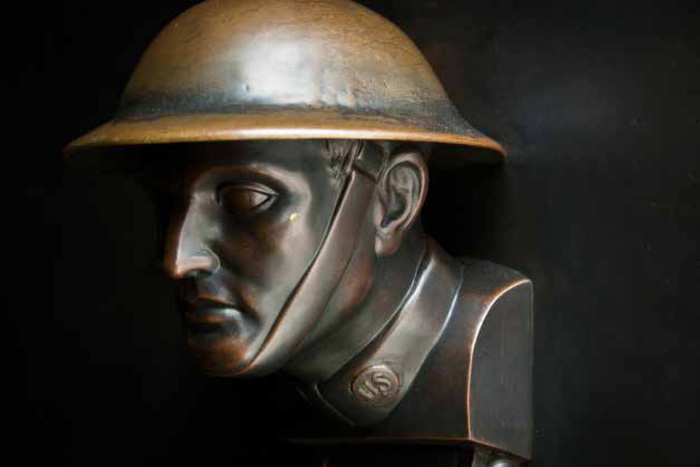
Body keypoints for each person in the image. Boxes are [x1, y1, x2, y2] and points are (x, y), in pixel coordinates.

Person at [66, 1, 532, 464]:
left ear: (393, 201)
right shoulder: (276, 383)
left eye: (247, 201)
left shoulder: (483, 351)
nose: (177, 259)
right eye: (166, 204)